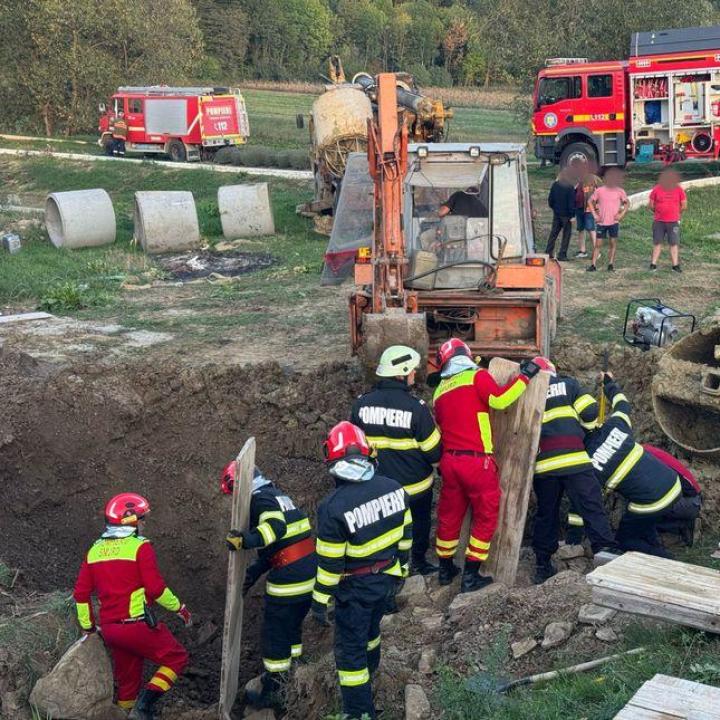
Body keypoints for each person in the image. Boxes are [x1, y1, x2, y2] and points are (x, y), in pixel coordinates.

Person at [311, 421, 412, 720]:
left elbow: (330, 565)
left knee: (349, 653)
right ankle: (373, 677)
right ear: (368, 453)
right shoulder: (395, 488)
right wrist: (402, 571)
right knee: (371, 633)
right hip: (387, 578)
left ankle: (359, 713)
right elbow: (406, 537)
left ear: (332, 458)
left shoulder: (332, 507)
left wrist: (319, 601)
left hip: (355, 588)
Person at [430, 338, 541, 592]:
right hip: (476, 461)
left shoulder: (439, 391)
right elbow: (500, 401)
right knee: (486, 516)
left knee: (449, 515)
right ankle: (471, 576)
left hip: (450, 461)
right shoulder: (476, 377)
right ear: (466, 356)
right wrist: (525, 376)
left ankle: (445, 569)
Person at [73, 493, 190, 720]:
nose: (144, 523)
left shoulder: (94, 550)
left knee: (128, 685)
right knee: (177, 658)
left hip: (111, 631)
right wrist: (180, 608)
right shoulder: (140, 547)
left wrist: (88, 628)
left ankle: (128, 713)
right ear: (130, 520)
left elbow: (80, 594)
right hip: (136, 625)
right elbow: (156, 589)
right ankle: (144, 707)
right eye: (142, 518)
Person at [224, 465, 316, 710]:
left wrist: (244, 540)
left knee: (275, 634)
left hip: (290, 580)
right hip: (308, 571)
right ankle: (293, 673)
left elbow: (275, 530)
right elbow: (278, 548)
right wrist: (251, 575)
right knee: (292, 627)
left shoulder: (259, 500)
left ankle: (275, 691)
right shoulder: (277, 495)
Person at [351, 345, 442, 578]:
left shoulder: (361, 405)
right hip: (416, 489)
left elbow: (355, 446)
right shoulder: (415, 408)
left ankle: (386, 569)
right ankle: (418, 563)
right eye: (411, 371)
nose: (414, 374)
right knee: (418, 525)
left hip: (377, 488)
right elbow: (433, 451)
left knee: (384, 530)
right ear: (401, 374)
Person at [531, 357, 617, 584]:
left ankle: (542, 565)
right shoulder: (568, 384)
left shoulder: (527, 391)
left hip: (544, 466)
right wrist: (585, 432)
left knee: (546, 514)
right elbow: (590, 413)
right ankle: (606, 556)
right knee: (591, 506)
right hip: (574, 460)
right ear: (553, 372)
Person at [584, 373, 684, 557]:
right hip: (672, 482)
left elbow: (589, 502)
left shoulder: (591, 462)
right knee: (642, 523)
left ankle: (666, 560)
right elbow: (623, 405)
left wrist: (575, 534)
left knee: (626, 539)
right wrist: (609, 384)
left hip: (653, 501)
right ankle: (656, 549)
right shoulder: (615, 426)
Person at [643, 444, 702, 544]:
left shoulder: (645, 458)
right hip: (691, 499)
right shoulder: (645, 450)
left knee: (644, 509)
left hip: (689, 502)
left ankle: (681, 528)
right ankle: (682, 526)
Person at [587, 167, 629, 272]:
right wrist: (594, 215)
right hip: (602, 222)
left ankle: (610, 264)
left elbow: (627, 202)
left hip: (614, 222)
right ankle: (593, 265)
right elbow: (590, 201)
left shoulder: (620, 191)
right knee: (598, 244)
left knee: (613, 243)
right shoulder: (600, 191)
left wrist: (622, 214)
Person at [649, 167, 687, 273]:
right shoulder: (656, 189)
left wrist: (675, 213)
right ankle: (653, 264)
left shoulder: (679, 189)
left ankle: (675, 266)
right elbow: (651, 205)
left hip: (673, 222)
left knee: (674, 243)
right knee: (657, 242)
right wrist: (659, 212)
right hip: (659, 221)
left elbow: (684, 205)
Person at [545, 168, 576, 260]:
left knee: (553, 233)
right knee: (566, 235)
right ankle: (562, 254)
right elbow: (571, 203)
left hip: (557, 213)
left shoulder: (555, 185)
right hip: (566, 215)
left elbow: (550, 199)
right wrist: (572, 215)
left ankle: (548, 251)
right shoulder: (570, 187)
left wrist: (554, 208)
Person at [575, 172, 602, 259]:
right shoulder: (577, 180)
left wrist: (597, 206)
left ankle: (596, 252)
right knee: (580, 229)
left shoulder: (592, 179)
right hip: (579, 208)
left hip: (588, 209)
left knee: (591, 229)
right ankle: (582, 251)